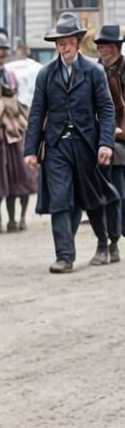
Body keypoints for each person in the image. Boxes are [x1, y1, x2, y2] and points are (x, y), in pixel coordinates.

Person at [24, 11, 118, 274]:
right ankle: (64, 256)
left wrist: (105, 143)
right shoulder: (46, 74)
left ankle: (103, 244)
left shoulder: (94, 72)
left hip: (87, 144)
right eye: (59, 43)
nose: (64, 48)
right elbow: (36, 113)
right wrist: (30, 150)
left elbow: (106, 109)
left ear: (77, 43)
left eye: (68, 43)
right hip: (56, 146)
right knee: (60, 199)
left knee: (92, 197)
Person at [0, 31, 33, 233]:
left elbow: (15, 97)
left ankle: (18, 218)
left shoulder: (10, 74)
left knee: (22, 176)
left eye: (3, 50)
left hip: (14, 130)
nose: (1, 54)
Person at [92, 23, 125, 264]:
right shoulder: (93, 71)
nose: (102, 49)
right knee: (101, 197)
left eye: (106, 45)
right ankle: (107, 242)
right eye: (100, 45)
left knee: (117, 195)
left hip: (120, 140)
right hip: (99, 140)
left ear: (116, 47)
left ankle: (112, 241)